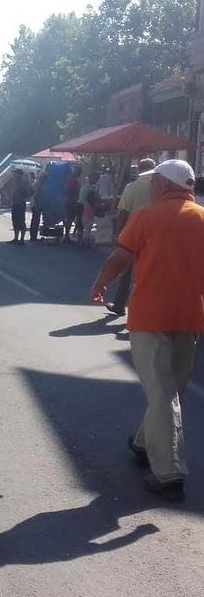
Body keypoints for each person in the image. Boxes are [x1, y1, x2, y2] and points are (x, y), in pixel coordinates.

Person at [90, 159, 204, 502]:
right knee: (171, 388)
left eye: (154, 182)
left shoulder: (147, 216)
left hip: (150, 316)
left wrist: (100, 283)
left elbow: (120, 258)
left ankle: (168, 472)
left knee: (162, 392)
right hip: (189, 317)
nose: (151, 187)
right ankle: (143, 442)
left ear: (165, 185)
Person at [105, 158, 156, 316]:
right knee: (149, 274)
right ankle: (146, 309)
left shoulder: (131, 188)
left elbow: (123, 213)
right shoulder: (159, 189)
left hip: (132, 236)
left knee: (127, 273)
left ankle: (120, 304)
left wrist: (118, 235)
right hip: (154, 236)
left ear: (139, 170)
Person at [80, 172, 100, 248]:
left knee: (82, 227)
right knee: (88, 229)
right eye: (96, 179)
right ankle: (86, 243)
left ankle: (82, 242)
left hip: (82, 209)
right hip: (88, 211)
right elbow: (93, 199)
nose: (97, 180)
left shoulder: (85, 186)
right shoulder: (90, 188)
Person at [8, 169, 28, 245]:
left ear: (19, 175)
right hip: (15, 203)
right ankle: (16, 238)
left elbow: (30, 192)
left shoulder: (23, 183)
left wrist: (24, 197)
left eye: (15, 174)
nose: (14, 176)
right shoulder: (14, 183)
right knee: (15, 221)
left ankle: (22, 239)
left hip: (20, 204)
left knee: (21, 221)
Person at [64, 166, 83, 242]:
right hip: (70, 202)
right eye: (78, 172)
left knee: (70, 219)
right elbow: (67, 190)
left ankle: (67, 236)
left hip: (72, 201)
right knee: (69, 219)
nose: (79, 174)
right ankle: (66, 236)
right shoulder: (72, 180)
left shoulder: (74, 180)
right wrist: (71, 198)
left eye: (79, 172)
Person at [29, 171, 47, 242]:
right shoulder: (38, 184)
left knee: (35, 220)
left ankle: (33, 236)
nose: (46, 180)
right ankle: (33, 237)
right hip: (36, 204)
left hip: (36, 204)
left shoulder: (37, 183)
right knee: (35, 220)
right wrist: (37, 206)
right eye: (45, 178)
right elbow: (36, 196)